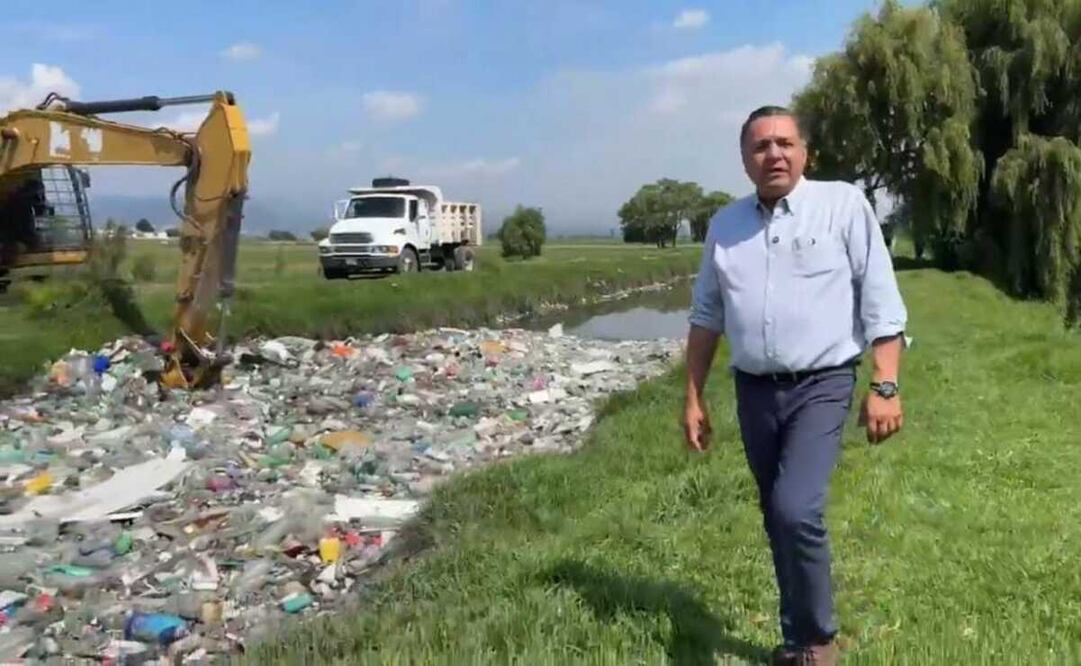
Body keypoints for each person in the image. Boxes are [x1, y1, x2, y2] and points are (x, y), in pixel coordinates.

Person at [682, 105, 907, 665]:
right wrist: (693, 397)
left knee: (795, 509)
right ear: (744, 159)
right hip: (753, 389)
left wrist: (885, 384)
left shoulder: (841, 206)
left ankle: (819, 643)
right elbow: (707, 314)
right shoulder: (725, 226)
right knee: (775, 514)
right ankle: (796, 640)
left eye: (785, 143)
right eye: (761, 146)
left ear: (805, 152)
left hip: (823, 383)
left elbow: (880, 299)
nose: (774, 154)